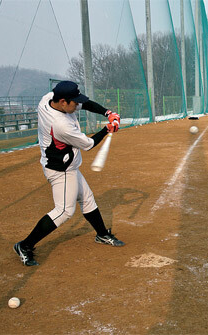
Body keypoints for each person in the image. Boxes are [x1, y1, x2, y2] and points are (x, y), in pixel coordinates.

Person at [14, 81, 124, 266]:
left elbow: (85, 103)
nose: (78, 105)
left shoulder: (48, 99)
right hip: (61, 170)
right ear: (63, 102)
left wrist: (107, 113)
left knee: (87, 199)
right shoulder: (61, 125)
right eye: (74, 103)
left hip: (65, 165)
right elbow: (88, 145)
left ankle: (102, 234)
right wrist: (107, 128)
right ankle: (24, 245)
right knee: (64, 211)